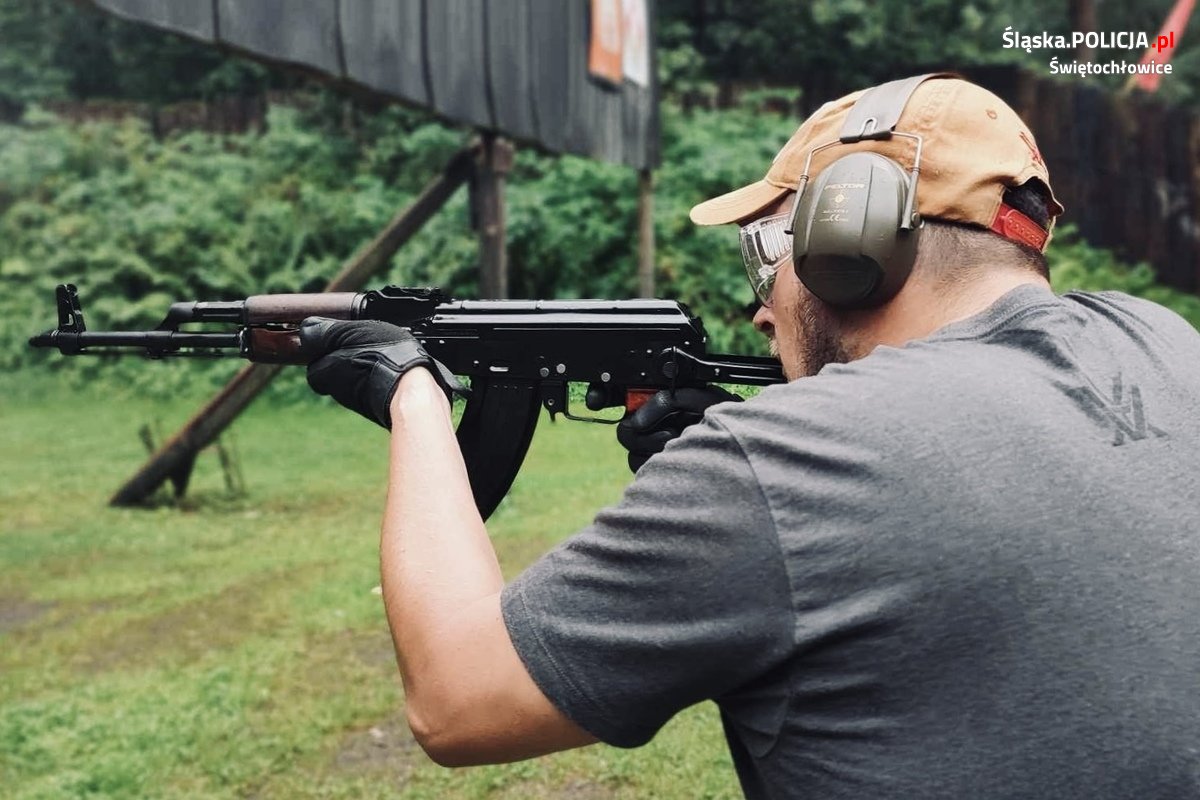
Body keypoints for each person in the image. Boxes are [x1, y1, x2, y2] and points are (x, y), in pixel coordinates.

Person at [298, 75, 1200, 799]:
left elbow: (456, 697)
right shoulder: (1164, 344)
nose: (761, 309)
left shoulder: (786, 460)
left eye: (768, 254)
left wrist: (414, 393)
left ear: (848, 238)